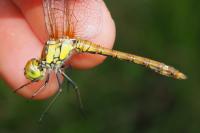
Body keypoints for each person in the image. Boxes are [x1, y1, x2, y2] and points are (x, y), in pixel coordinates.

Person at [0, 0, 116, 99]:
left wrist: (32, 92)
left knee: (69, 87)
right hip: (68, 44)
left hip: (72, 43)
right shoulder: (49, 58)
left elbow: (45, 84)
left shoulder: (49, 60)